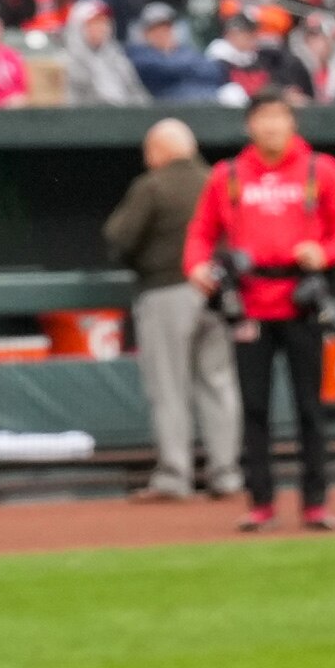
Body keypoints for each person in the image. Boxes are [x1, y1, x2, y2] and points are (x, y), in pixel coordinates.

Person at [187, 96, 335, 532]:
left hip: (302, 301)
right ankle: (261, 501)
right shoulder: (226, 175)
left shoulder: (320, 170)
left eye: (279, 117)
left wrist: (323, 252)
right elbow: (201, 232)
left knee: (310, 407)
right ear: (250, 126)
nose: (271, 127)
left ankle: (315, 503)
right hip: (248, 304)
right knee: (254, 408)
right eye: (262, 118)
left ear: (292, 122)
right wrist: (195, 267)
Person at [105, 115, 237, 503]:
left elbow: (119, 237)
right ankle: (226, 475)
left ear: (160, 151)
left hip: (168, 291)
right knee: (218, 383)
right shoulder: (220, 181)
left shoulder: (154, 185)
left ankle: (175, 477)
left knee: (169, 387)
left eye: (150, 152)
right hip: (219, 292)